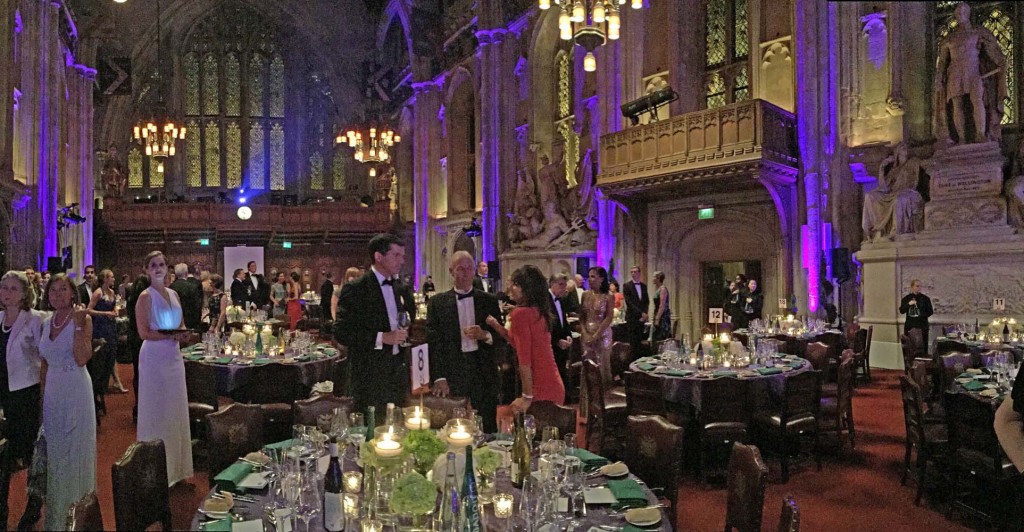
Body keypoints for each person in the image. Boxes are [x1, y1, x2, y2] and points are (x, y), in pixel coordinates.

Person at [38, 274, 96, 531]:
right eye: (53, 290)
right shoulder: (47, 321)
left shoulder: (83, 318)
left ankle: (77, 518)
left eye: (63, 290)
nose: (57, 294)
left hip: (75, 387)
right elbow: (44, 362)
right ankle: (56, 518)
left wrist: (80, 325)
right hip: (53, 391)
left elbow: (82, 358)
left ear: (72, 293)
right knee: (56, 454)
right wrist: (42, 399)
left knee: (74, 452)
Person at [426, 252, 505, 433]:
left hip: (482, 369)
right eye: (460, 269)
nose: (465, 273)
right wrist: (439, 377)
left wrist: (485, 335)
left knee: (487, 424)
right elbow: (434, 343)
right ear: (451, 271)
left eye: (469, 268)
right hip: (453, 368)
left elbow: (501, 337)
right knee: (452, 424)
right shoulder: (437, 303)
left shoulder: (489, 300)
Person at [334, 234, 410, 415]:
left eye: (403, 256)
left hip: (397, 370)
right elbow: (342, 332)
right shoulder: (356, 288)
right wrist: (382, 337)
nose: (402, 261)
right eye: (396, 255)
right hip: (369, 374)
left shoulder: (399, 286)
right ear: (378, 256)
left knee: (396, 428)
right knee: (371, 430)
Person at [135, 251, 193, 486]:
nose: (158, 268)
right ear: (146, 270)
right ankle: (157, 472)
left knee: (176, 410)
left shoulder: (174, 294)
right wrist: (169, 335)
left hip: (174, 357)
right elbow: (143, 333)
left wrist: (184, 334)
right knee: (157, 411)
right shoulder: (144, 297)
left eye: (161, 265)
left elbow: (180, 324)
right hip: (155, 358)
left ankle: (177, 470)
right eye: (153, 265)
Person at [0, 271, 45, 529]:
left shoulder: (35, 319)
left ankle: (33, 506)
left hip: (26, 395)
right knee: (4, 456)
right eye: (4, 287)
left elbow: (45, 359)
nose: (7, 292)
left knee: (30, 453)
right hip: (4, 396)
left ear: (25, 293)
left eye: (13, 288)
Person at [486, 265, 565, 412]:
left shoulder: (520, 314)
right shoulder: (538, 310)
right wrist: (497, 326)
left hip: (539, 386)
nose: (510, 288)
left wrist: (527, 396)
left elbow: (525, 360)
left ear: (527, 288)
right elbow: (518, 343)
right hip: (552, 382)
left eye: (515, 284)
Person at [933, 2, 1007, 145]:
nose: (960, 15)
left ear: (968, 14)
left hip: (973, 70)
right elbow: (942, 61)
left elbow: (992, 50)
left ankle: (980, 134)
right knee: (957, 104)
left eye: (962, 12)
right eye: (957, 13)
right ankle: (961, 138)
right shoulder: (949, 38)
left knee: (977, 100)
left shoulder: (977, 32)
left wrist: (1000, 61)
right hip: (955, 72)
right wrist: (939, 76)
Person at [87, 269, 121, 418]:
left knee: (110, 361)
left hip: (111, 329)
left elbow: (115, 306)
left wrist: (115, 311)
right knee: (99, 365)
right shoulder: (98, 293)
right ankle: (95, 396)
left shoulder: (112, 293)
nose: (114, 279)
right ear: (105, 279)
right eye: (112, 277)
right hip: (100, 329)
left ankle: (102, 391)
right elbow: (89, 310)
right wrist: (105, 314)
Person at [581, 267, 616, 385]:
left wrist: (596, 335)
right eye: (589, 276)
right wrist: (585, 333)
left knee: (602, 366)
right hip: (587, 335)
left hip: (603, 335)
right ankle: (588, 399)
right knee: (588, 366)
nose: (589, 279)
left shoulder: (608, 295)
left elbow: (609, 317)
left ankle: (604, 399)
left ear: (601, 279)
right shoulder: (585, 294)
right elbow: (582, 316)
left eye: (593, 276)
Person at [125, 274, 149, 423]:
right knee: (147, 373)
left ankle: (138, 407)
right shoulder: (146, 299)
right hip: (144, 338)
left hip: (134, 337)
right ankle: (145, 407)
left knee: (137, 373)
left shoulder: (130, 300)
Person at [548, 273, 573, 401]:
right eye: (561, 285)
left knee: (562, 372)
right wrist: (557, 341)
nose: (564, 288)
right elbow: (545, 326)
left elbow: (564, 321)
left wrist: (568, 335)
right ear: (552, 284)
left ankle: (563, 399)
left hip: (562, 346)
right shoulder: (545, 300)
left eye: (565, 285)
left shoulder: (561, 300)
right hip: (550, 346)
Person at [622, 266, 649, 358]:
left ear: (639, 273)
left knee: (640, 341)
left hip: (642, 318)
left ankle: (640, 361)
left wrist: (645, 313)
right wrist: (641, 313)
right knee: (633, 342)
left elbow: (646, 301)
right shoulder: (627, 286)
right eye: (631, 272)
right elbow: (629, 303)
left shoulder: (644, 286)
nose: (633, 274)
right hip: (632, 318)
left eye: (635, 272)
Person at [899, 279, 933, 349]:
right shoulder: (906, 298)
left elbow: (930, 311)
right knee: (910, 348)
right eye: (917, 286)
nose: (919, 288)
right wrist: (909, 304)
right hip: (910, 326)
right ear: (912, 287)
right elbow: (902, 311)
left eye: (920, 286)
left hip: (922, 326)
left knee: (923, 347)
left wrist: (920, 314)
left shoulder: (926, 299)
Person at [170, 263, 202, 331]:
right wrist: (197, 323)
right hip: (189, 321)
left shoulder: (170, 287)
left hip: (173, 321)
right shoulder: (192, 287)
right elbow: (196, 306)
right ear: (186, 273)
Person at [651, 271, 672, 342]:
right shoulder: (658, 289)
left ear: (658, 278)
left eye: (654, 277)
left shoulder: (663, 289)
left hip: (662, 317)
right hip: (658, 315)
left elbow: (662, 305)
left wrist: (657, 319)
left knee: (660, 338)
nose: (652, 278)